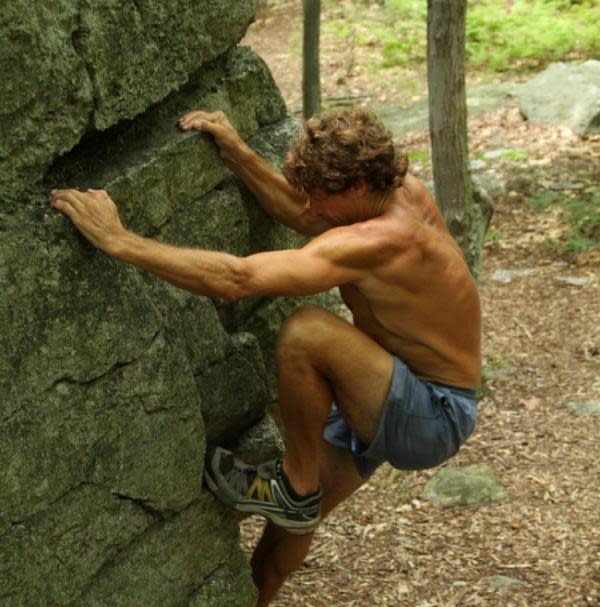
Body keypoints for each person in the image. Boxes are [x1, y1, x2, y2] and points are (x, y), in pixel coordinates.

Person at [50, 108, 480, 607]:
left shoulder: (381, 241)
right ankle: (283, 533)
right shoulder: (393, 191)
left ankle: (294, 487)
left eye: (324, 194)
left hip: (430, 410)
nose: (314, 206)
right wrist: (235, 149)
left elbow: (238, 280)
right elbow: (304, 213)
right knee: (288, 529)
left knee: (306, 332)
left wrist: (119, 241)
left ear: (360, 182)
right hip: (388, 384)